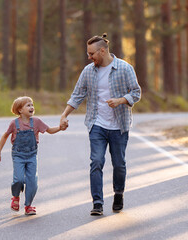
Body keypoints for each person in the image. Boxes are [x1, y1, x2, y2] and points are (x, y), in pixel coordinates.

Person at [60, 33, 141, 216]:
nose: (89, 57)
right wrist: (64, 115)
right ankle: (97, 202)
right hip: (97, 124)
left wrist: (121, 100)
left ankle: (118, 193)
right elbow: (77, 94)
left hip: (119, 125)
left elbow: (136, 93)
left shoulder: (124, 68)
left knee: (119, 164)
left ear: (102, 51)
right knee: (96, 161)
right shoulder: (89, 71)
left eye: (91, 54)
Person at [0, 96, 64, 215]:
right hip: (18, 155)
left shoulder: (36, 122)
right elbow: (5, 136)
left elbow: (49, 130)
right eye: (28, 105)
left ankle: (28, 205)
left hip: (32, 155)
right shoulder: (14, 123)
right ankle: (15, 197)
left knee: (32, 182)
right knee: (19, 179)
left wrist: (60, 128)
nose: (32, 107)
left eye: (32, 105)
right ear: (20, 110)